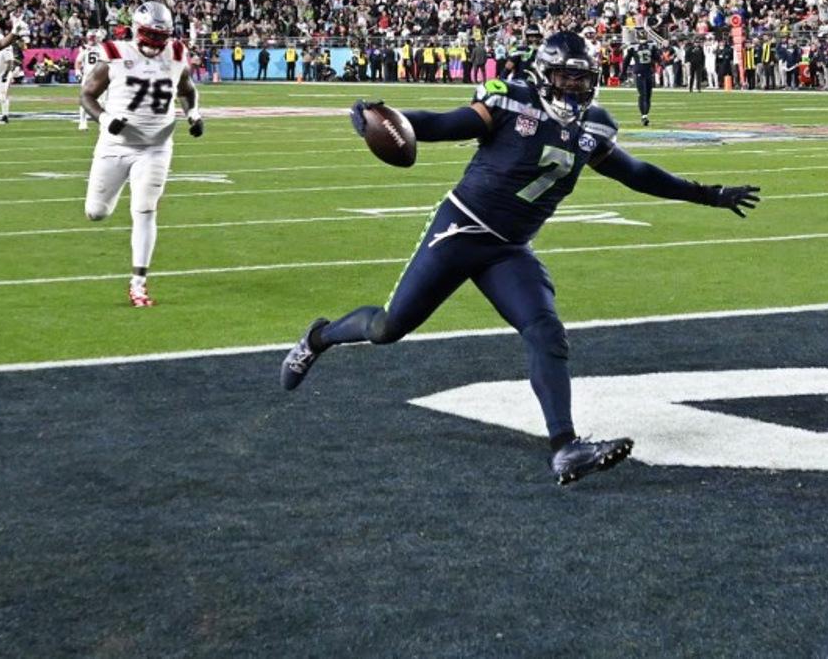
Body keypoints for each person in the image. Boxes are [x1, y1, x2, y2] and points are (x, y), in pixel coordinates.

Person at [279, 31, 759, 485]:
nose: (578, 85)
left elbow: (637, 174)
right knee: (387, 328)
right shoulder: (510, 100)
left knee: (545, 330)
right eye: (568, 76)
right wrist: (385, 119)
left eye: (584, 76)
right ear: (545, 73)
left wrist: (709, 195)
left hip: (508, 248)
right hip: (461, 230)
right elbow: (444, 124)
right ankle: (319, 337)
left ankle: (566, 446)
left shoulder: (594, 126)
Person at [79, 2, 204, 307]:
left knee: (145, 210)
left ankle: (138, 283)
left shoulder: (176, 53)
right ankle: (113, 197)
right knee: (96, 212)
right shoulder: (115, 53)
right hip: (115, 145)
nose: (154, 42)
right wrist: (106, 119)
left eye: (159, 35)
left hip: (156, 146)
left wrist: (194, 115)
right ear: (136, 30)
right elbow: (86, 94)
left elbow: (187, 90)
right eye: (149, 34)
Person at [624, 29, 659, 125]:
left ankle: (644, 115)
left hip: (640, 72)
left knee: (643, 95)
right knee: (647, 96)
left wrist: (623, 72)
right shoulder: (651, 45)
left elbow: (626, 61)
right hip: (648, 72)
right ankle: (645, 115)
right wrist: (660, 63)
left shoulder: (634, 46)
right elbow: (657, 58)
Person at [75, 30, 106, 130]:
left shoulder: (101, 48)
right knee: (85, 99)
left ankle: (102, 123)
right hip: (88, 77)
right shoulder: (85, 49)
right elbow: (78, 62)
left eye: (93, 38)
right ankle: (82, 122)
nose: (92, 40)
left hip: (100, 76)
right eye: (91, 38)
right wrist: (78, 72)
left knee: (103, 101)